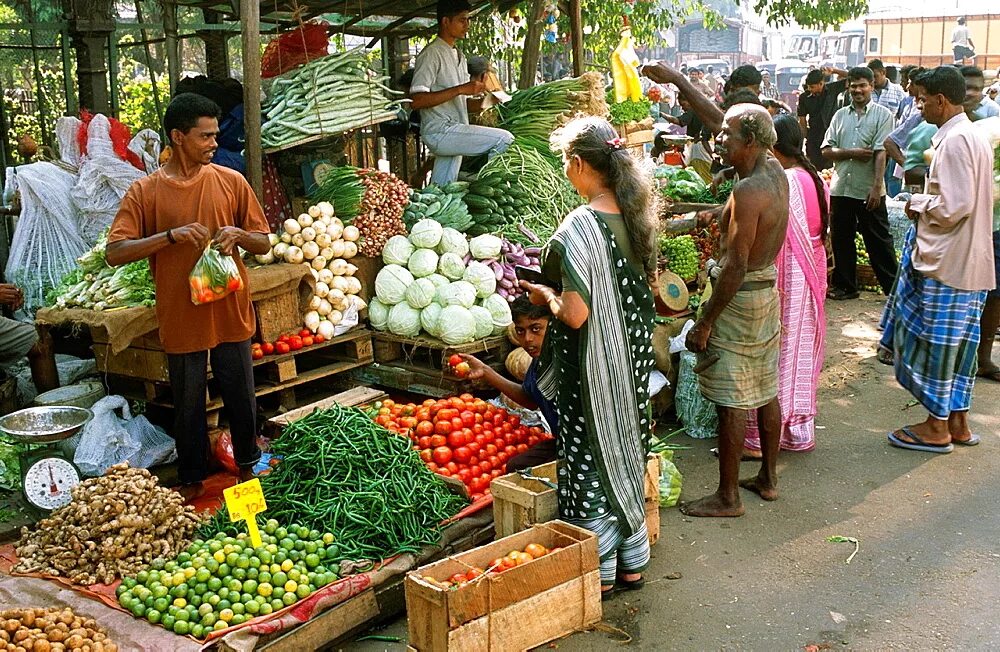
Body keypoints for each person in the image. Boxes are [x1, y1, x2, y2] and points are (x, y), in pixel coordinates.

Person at [106, 93, 272, 498]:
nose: (214, 143)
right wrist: (169, 237)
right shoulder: (145, 192)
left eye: (215, 134)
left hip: (230, 308)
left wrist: (240, 236)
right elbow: (115, 252)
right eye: (205, 136)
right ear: (178, 137)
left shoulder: (231, 181)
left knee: (241, 395)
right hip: (181, 313)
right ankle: (192, 477)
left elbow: (264, 242)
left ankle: (248, 466)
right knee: (188, 401)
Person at [519, 116, 657, 595]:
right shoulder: (637, 214)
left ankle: (597, 575)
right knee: (625, 451)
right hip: (632, 365)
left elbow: (575, 315)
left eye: (566, 164)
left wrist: (545, 299)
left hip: (594, 368)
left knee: (589, 459)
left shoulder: (581, 225)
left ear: (579, 164)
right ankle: (632, 564)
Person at [879, 66, 995, 453]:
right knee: (960, 345)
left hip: (950, 261)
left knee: (938, 344)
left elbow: (953, 207)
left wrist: (917, 201)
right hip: (968, 259)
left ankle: (936, 426)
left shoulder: (958, 139)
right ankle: (957, 422)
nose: (919, 105)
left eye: (921, 99)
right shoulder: (972, 134)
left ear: (941, 100)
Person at [681, 104, 788, 517]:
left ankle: (728, 497)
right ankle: (768, 478)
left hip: (741, 297)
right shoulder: (772, 171)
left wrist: (706, 319)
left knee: (733, 397)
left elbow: (736, 265)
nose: (719, 139)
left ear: (752, 142)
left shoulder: (749, 190)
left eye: (727, 135)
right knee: (765, 386)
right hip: (765, 292)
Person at [744, 115, 828, 456]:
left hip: (791, 274)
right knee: (798, 351)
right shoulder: (814, 177)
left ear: (772, 147)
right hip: (811, 270)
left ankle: (761, 439)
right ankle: (795, 431)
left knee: (776, 352)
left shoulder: (787, 180)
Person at [409, 0, 513, 184]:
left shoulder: (460, 56)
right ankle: (490, 191)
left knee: (442, 191)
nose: (467, 25)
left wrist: (490, 100)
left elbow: (461, 104)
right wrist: (460, 89)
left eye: (468, 20)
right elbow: (416, 101)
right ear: (445, 22)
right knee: (504, 139)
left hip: (455, 130)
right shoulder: (431, 54)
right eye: (462, 20)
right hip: (440, 131)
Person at [821, 66, 897, 299]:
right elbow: (826, 150)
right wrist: (851, 152)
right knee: (842, 239)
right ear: (848, 86)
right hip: (842, 187)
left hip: (868, 190)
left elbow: (880, 153)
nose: (858, 90)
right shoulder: (840, 115)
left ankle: (893, 292)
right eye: (853, 85)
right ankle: (846, 286)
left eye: (863, 85)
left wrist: (876, 188)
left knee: (878, 242)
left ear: (872, 87)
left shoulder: (883, 115)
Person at [458, 295, 558, 471]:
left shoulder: (566, 362)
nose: (527, 339)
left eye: (536, 329)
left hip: (586, 447)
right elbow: (530, 400)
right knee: (516, 467)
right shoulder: (538, 361)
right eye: (520, 331)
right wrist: (486, 371)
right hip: (563, 442)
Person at [797, 67, 849, 171]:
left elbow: (853, 77)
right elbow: (802, 121)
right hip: (813, 138)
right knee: (813, 169)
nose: (810, 89)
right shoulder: (804, 97)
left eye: (812, 87)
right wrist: (803, 140)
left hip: (830, 136)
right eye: (808, 87)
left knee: (829, 171)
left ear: (821, 83)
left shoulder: (833, 89)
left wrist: (834, 71)